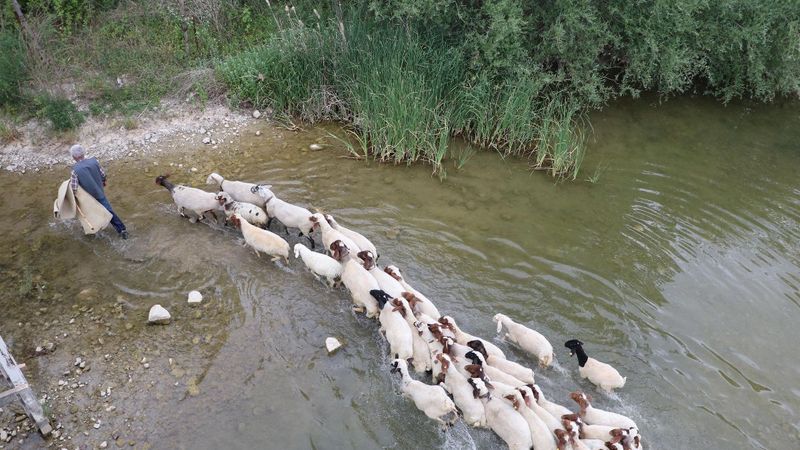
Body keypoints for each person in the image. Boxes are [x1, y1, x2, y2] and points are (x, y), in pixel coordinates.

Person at [69, 144, 128, 239]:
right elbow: (103, 174)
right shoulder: (94, 162)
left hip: (88, 198)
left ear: (73, 157)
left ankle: (93, 230)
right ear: (83, 153)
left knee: (89, 214)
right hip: (99, 193)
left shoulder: (74, 171)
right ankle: (122, 230)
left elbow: (74, 188)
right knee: (109, 211)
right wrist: (103, 181)